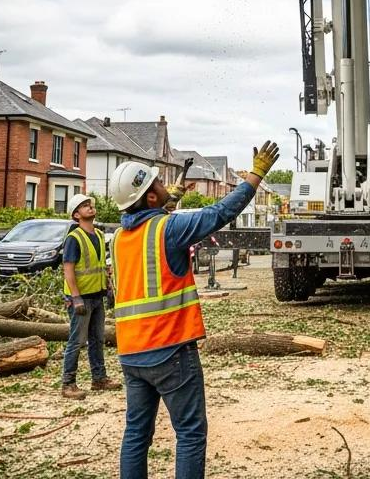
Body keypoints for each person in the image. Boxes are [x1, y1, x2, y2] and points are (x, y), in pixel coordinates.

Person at [111, 142, 279, 479]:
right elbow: (220, 213)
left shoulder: (118, 237)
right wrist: (255, 176)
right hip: (169, 349)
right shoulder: (168, 230)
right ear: (151, 198)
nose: (163, 183)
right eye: (157, 183)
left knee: (136, 435)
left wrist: (171, 194)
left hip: (131, 353)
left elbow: (152, 214)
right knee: (189, 432)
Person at [61, 193, 121, 399]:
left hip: (96, 295)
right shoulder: (74, 238)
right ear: (76, 215)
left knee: (97, 339)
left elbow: (99, 265)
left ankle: (99, 378)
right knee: (76, 341)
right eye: (84, 206)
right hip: (81, 298)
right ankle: (68, 384)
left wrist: (108, 286)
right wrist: (75, 298)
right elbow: (68, 269)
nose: (90, 207)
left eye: (90, 204)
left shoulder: (97, 234)